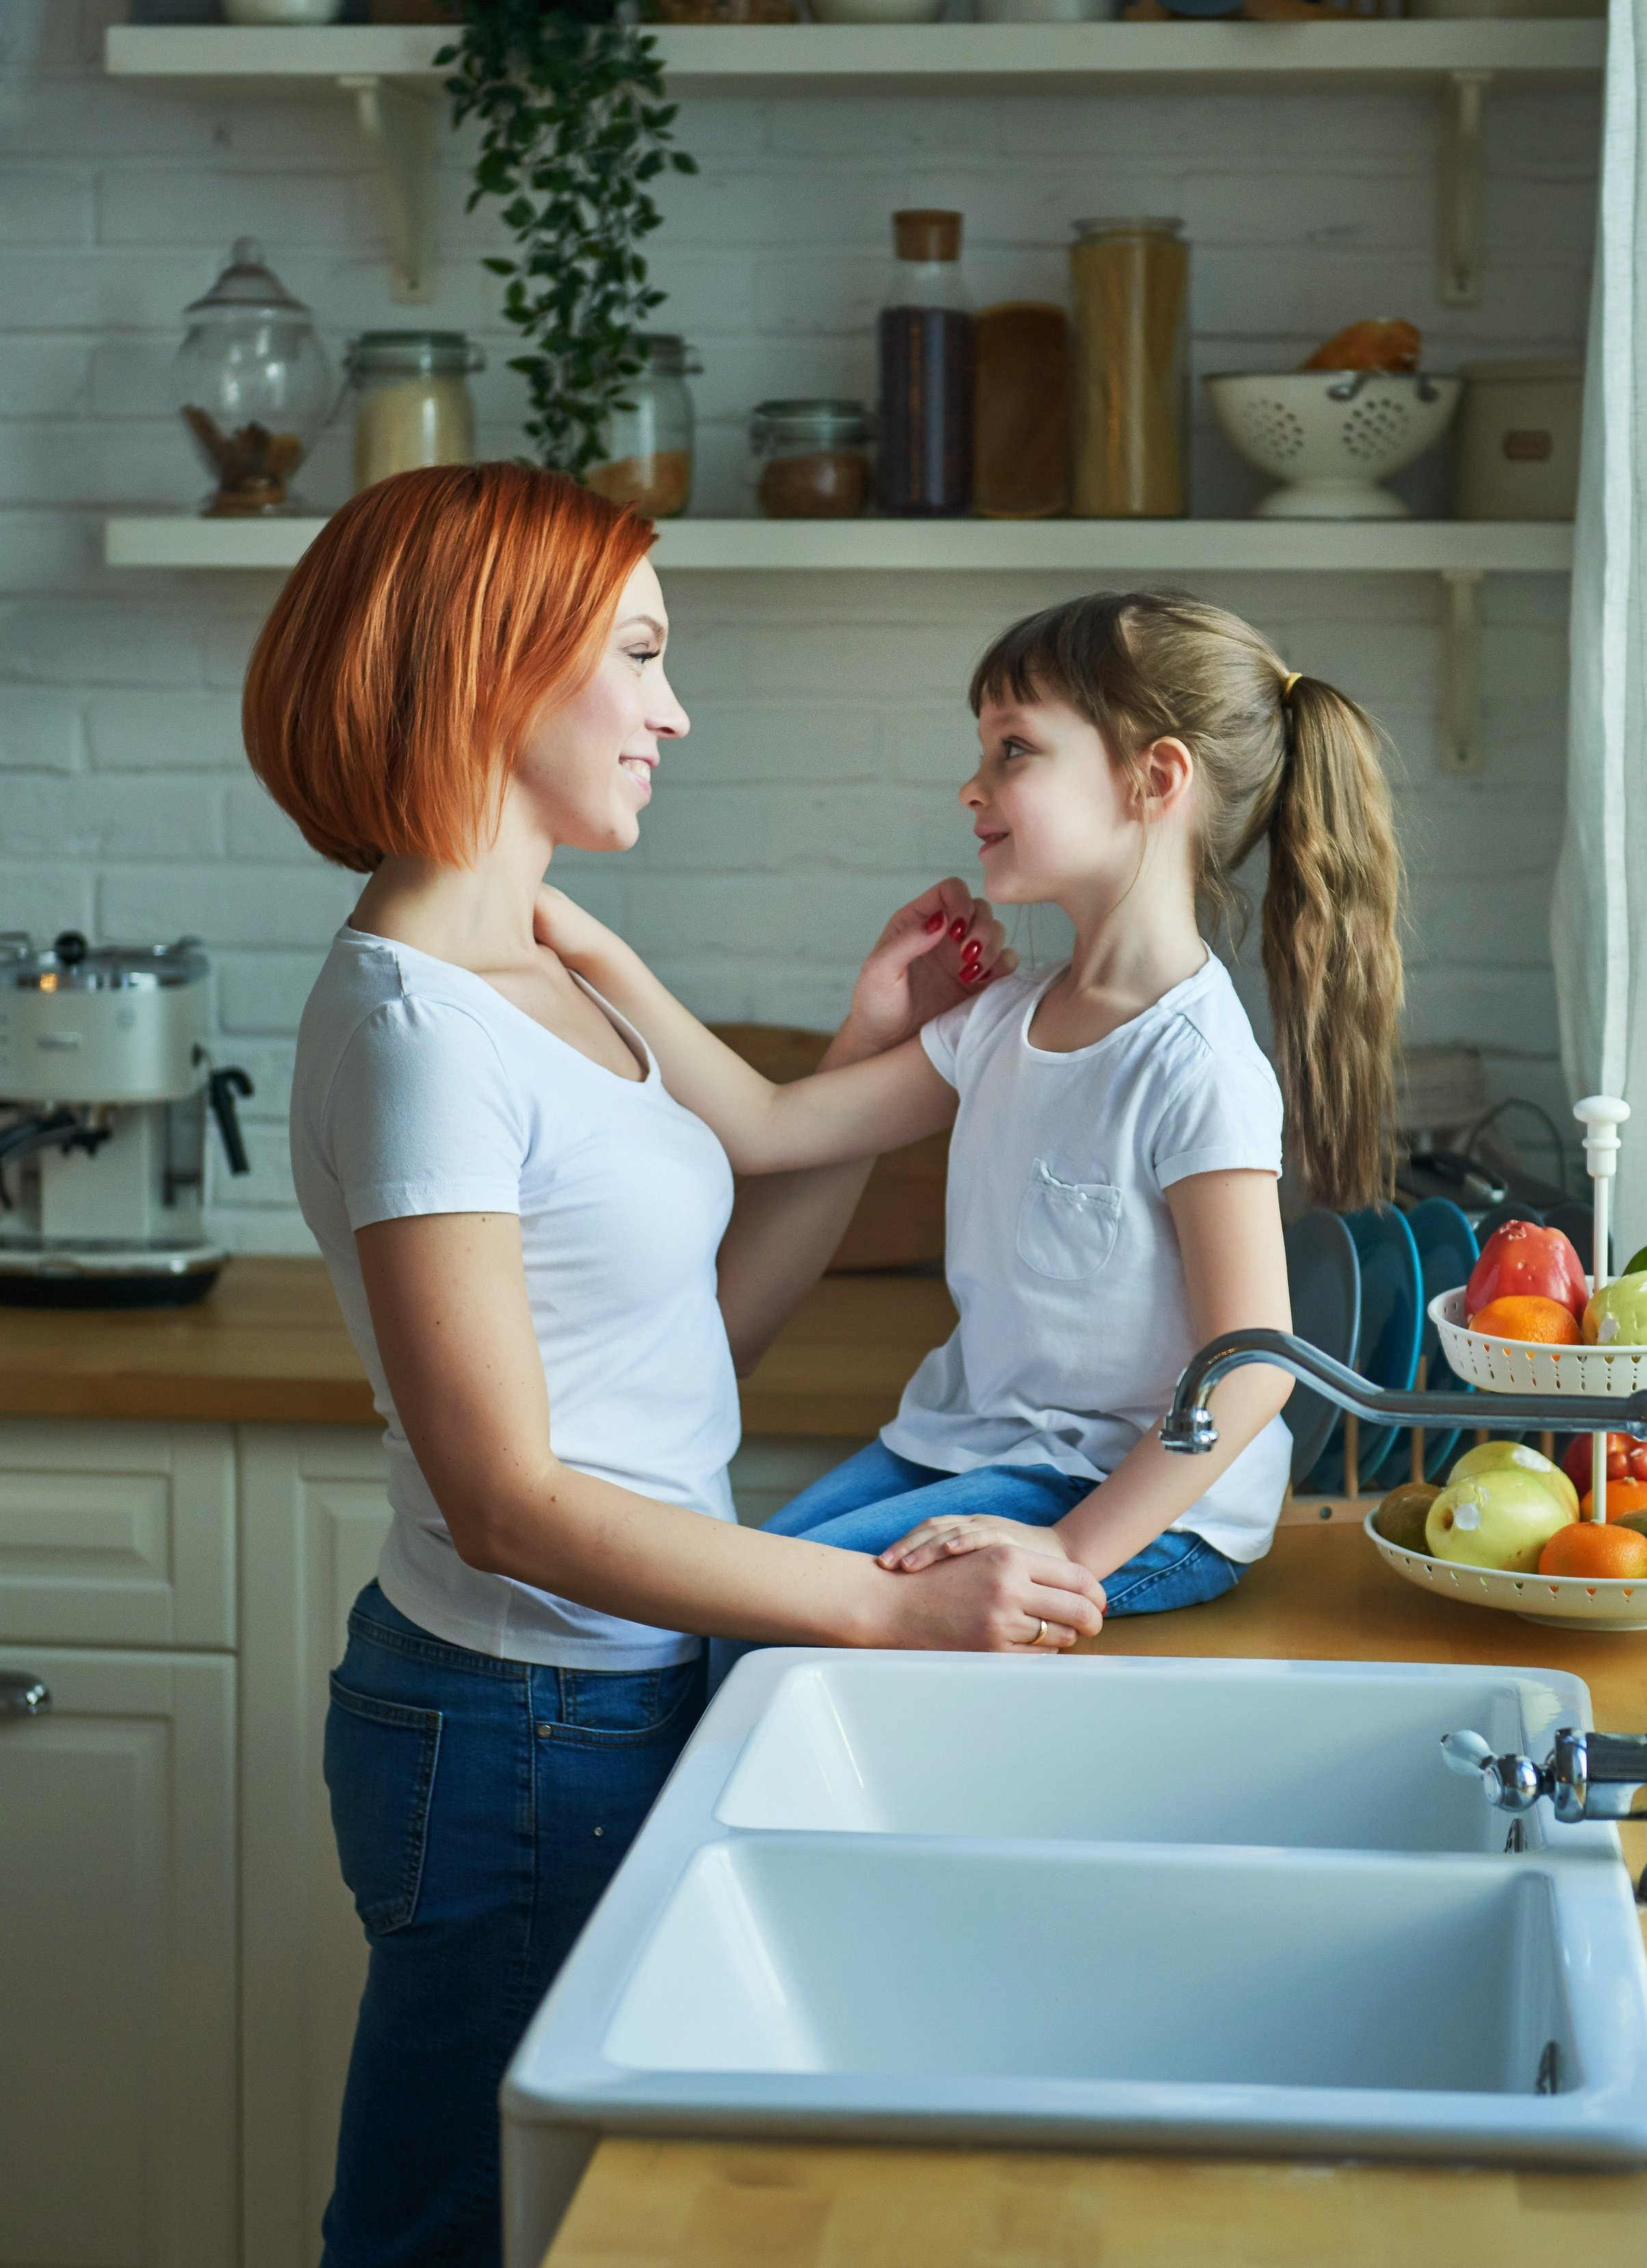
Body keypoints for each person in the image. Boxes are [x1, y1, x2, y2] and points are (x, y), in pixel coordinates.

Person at [240, 464, 1105, 2268]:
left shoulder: (555, 963)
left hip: (611, 1696)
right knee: (457, 2233)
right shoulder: (415, 1031)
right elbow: (510, 1499)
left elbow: (678, 1367)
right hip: (513, 1728)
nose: (672, 707)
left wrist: (876, 1057)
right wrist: (877, 1603)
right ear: (492, 670)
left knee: (587, 2220)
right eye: (637, 652)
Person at [539, 586, 1404, 1632]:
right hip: (966, 1449)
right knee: (745, 1588)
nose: (973, 786)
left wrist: (1071, 1552)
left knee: (763, 1624)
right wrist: (583, 943)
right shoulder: (1004, 1019)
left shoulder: (1195, 1063)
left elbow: (1254, 1367)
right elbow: (770, 1120)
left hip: (1119, 1503)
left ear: (1155, 778)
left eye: (1015, 751)